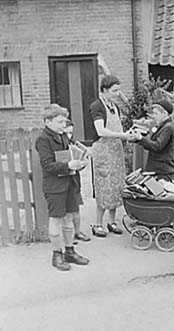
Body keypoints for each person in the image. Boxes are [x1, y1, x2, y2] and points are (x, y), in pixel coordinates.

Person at [35, 104, 90, 271]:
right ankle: (56, 254)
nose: (63, 124)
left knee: (68, 219)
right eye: (59, 122)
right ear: (47, 122)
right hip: (55, 187)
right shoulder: (43, 140)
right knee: (56, 219)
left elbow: (70, 154)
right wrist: (68, 165)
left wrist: (79, 163)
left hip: (68, 182)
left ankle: (70, 251)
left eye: (64, 121)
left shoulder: (63, 136)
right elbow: (48, 165)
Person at [90, 74, 138, 237]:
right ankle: (97, 224)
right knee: (104, 187)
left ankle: (112, 221)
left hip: (116, 150)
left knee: (117, 186)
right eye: (114, 90)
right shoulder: (97, 106)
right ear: (104, 90)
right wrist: (123, 136)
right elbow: (100, 131)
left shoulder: (114, 106)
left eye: (119, 90)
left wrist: (128, 134)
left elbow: (118, 129)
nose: (117, 93)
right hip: (103, 151)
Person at [135, 99, 174, 182]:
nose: (153, 116)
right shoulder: (162, 127)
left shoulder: (167, 128)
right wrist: (138, 139)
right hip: (157, 170)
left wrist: (141, 139)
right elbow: (152, 143)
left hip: (162, 172)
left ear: (164, 113)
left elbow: (157, 146)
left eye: (156, 113)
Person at [63, 120, 90, 243]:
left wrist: (82, 163)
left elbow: (82, 161)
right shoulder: (60, 146)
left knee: (76, 209)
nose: (69, 136)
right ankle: (68, 235)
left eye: (71, 133)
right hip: (64, 180)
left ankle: (78, 232)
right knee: (67, 212)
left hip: (74, 179)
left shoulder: (75, 144)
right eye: (67, 133)